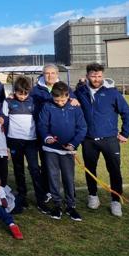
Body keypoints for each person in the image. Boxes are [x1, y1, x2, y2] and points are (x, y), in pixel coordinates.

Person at [75, 63, 129, 217]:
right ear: (87, 75)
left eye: (99, 76)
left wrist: (125, 133)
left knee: (114, 170)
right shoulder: (80, 92)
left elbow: (127, 112)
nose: (96, 79)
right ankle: (93, 196)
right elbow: (63, 96)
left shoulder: (112, 93)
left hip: (109, 139)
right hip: (88, 140)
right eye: (93, 76)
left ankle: (115, 201)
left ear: (103, 76)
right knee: (90, 169)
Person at [38, 82, 87, 221]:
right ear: (52, 96)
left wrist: (73, 144)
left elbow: (82, 128)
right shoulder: (47, 106)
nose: (60, 103)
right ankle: (57, 205)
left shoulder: (75, 107)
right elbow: (42, 124)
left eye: (63, 100)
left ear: (68, 96)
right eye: (57, 100)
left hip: (68, 151)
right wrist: (47, 137)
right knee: (53, 177)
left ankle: (71, 206)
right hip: (51, 150)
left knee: (68, 178)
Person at [2, 76, 48, 213]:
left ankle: (41, 199)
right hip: (14, 141)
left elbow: (40, 119)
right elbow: (3, 122)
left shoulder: (34, 101)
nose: (22, 97)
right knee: (18, 169)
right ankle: (22, 197)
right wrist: (5, 144)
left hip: (31, 141)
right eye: (19, 93)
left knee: (34, 169)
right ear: (14, 91)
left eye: (25, 94)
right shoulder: (8, 101)